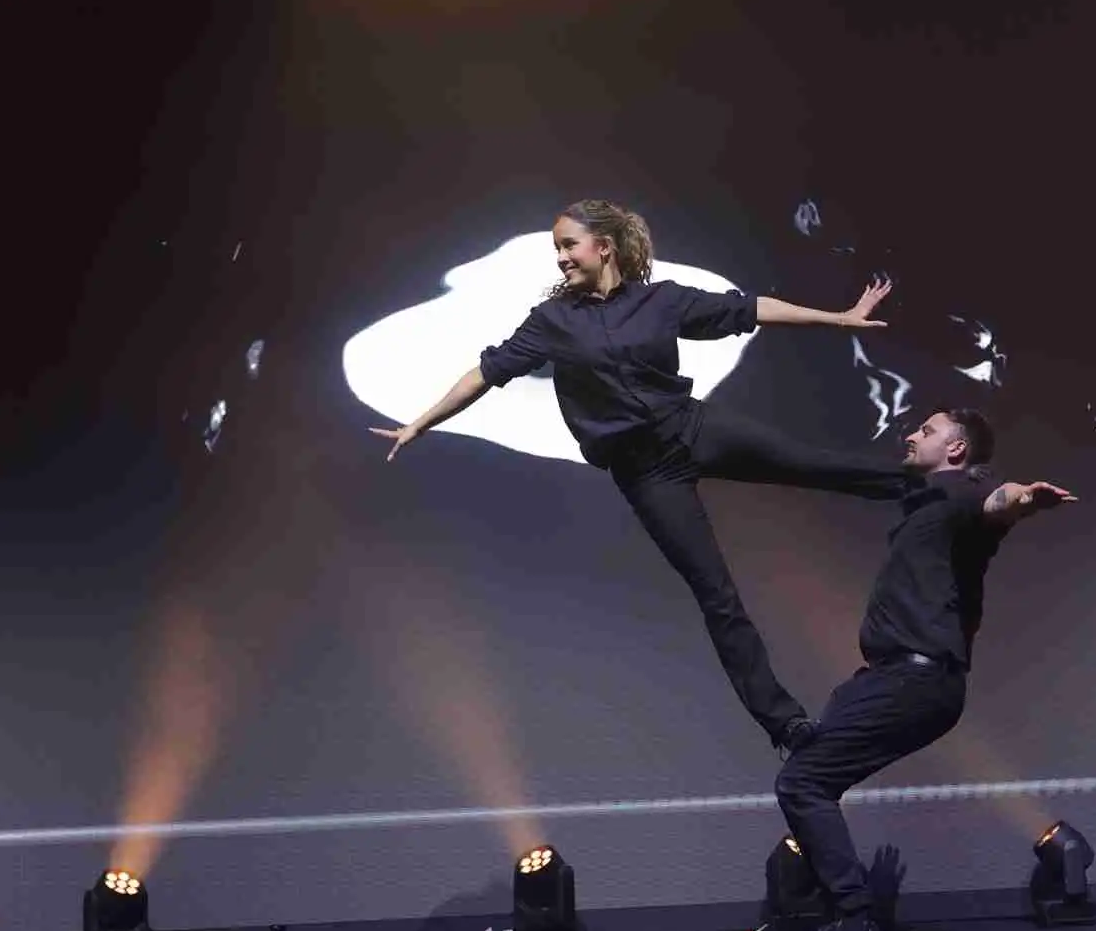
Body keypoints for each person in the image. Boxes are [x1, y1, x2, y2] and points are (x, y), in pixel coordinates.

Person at [370, 199, 910, 752]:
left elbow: (749, 309)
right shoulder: (552, 322)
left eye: (568, 245)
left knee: (809, 463)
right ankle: (785, 724)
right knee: (717, 596)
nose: (560, 257)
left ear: (603, 246)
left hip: (693, 426)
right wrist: (421, 423)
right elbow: (484, 373)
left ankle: (921, 487)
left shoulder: (661, 300)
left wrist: (838, 319)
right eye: (556, 247)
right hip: (648, 471)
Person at [767, 408, 1076, 931]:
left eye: (928, 431)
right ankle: (839, 903)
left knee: (802, 784)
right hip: (887, 677)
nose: (911, 435)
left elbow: (998, 499)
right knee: (808, 759)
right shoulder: (930, 503)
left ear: (957, 451)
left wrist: (1026, 500)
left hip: (918, 678)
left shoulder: (963, 491)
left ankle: (853, 919)